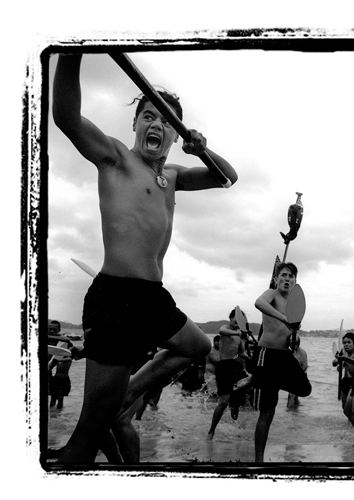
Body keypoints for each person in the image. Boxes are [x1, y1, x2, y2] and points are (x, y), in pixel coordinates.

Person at [53, 54, 238, 463]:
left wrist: (203, 148)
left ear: (176, 134)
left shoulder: (172, 176)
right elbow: (66, 117)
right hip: (116, 298)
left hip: (153, 298)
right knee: (88, 435)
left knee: (197, 345)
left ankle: (130, 392)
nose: (156, 124)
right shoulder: (116, 158)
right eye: (148, 116)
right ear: (135, 124)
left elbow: (227, 177)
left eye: (166, 121)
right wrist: (71, 53)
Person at [251, 262, 312, 462]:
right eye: (283, 275)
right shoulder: (272, 294)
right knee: (267, 412)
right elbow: (259, 303)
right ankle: (259, 460)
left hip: (283, 355)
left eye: (291, 276)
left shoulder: (294, 305)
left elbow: (290, 334)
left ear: (295, 281)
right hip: (266, 354)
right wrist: (284, 318)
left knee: (305, 388)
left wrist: (294, 336)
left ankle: (260, 380)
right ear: (276, 279)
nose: (287, 279)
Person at [207, 311, 250, 438]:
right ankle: (211, 430)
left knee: (249, 381)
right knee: (223, 401)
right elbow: (221, 331)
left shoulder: (240, 336)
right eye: (235, 319)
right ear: (230, 318)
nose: (237, 322)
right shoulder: (226, 328)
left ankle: (235, 405)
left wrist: (249, 357)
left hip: (235, 365)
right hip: (223, 366)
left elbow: (241, 352)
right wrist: (238, 333)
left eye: (240, 320)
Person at [48, 340, 73, 410]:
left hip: (59, 379)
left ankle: (54, 414)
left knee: (55, 398)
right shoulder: (68, 358)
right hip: (62, 379)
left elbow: (50, 367)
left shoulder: (60, 358)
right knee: (59, 399)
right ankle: (57, 414)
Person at [287, 334, 308, 408]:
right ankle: (296, 412)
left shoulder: (302, 352)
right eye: (291, 344)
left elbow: (304, 366)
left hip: (300, 377)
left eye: (295, 344)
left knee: (291, 396)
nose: (292, 346)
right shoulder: (290, 352)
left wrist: (297, 376)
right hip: (292, 377)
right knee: (295, 397)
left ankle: (289, 411)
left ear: (298, 343)